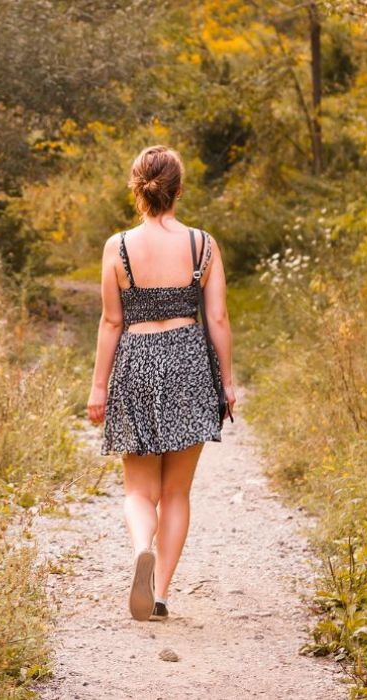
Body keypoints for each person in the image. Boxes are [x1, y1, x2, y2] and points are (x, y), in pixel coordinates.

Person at [85, 145, 236, 622]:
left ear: (137, 188)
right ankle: (163, 593)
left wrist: (98, 389)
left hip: (136, 361)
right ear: (178, 189)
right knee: (177, 492)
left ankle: (139, 550)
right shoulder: (203, 245)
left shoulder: (119, 246)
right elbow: (217, 317)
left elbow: (111, 322)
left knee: (138, 489)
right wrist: (227, 383)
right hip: (189, 361)